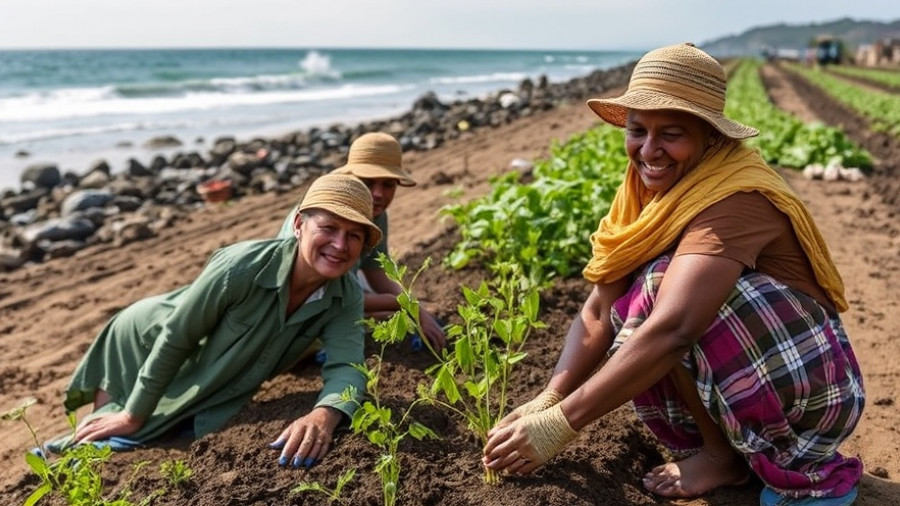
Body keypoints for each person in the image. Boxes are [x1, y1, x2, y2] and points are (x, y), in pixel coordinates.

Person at [482, 43, 864, 506]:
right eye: (637, 130)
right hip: (752, 376)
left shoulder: (735, 195)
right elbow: (601, 307)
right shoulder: (645, 192)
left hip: (810, 389)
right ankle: (722, 449)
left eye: (672, 133)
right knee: (644, 289)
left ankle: (723, 458)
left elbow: (675, 329)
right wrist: (549, 397)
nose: (648, 150)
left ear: (711, 137)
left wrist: (561, 425)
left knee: (661, 289)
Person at [57, 173, 382, 469]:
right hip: (145, 336)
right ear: (298, 225)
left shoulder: (345, 296)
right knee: (111, 433)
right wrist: (132, 414)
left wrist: (324, 415)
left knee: (177, 420)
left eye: (354, 235)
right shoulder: (239, 267)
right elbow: (177, 337)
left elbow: (347, 367)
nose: (340, 245)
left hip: (198, 353)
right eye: (328, 228)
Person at [277, 132, 447, 350]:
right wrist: (407, 306)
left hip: (340, 285)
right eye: (367, 182)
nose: (378, 194)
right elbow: (327, 296)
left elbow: (376, 272)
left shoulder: (377, 215)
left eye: (388, 185)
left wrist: (414, 309)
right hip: (301, 304)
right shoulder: (322, 214)